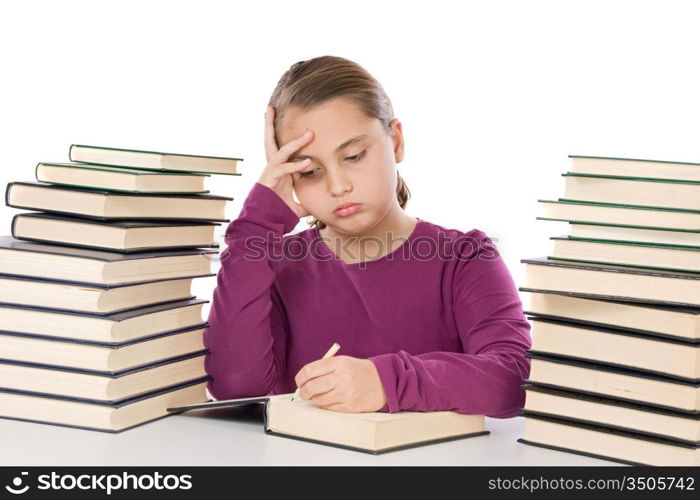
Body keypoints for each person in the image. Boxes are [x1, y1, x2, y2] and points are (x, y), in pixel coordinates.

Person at [203, 55, 531, 417]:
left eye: (355, 155)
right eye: (310, 171)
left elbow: (511, 381)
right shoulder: (275, 266)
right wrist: (257, 224)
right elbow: (236, 388)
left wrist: (384, 381)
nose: (338, 186)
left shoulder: (465, 257)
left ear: (396, 141)